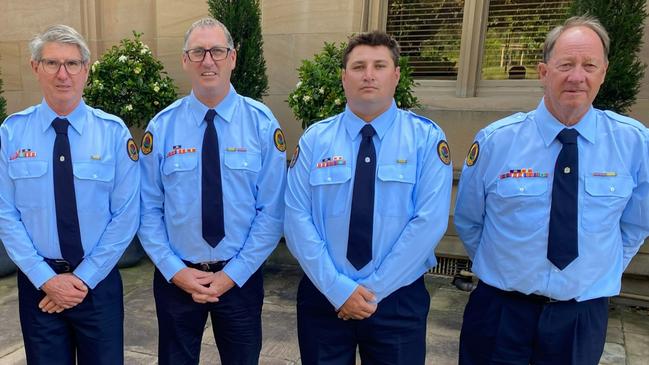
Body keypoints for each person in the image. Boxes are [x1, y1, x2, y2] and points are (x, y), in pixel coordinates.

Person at [454, 15, 649, 365]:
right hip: (501, 314)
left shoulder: (633, 143)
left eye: (589, 65)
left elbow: (635, 224)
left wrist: (596, 272)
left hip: (579, 320)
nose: (577, 76)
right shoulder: (498, 141)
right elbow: (470, 221)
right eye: (566, 65)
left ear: (603, 72)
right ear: (544, 72)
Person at [284, 31, 453, 364]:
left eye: (380, 65)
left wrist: (372, 290)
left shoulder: (426, 139)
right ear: (344, 77)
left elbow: (429, 222)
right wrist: (339, 290)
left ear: (396, 75)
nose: (369, 74)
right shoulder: (316, 139)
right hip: (324, 297)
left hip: (398, 300)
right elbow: (295, 217)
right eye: (358, 66)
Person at [138, 17, 286, 365]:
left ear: (233, 58)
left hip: (240, 277)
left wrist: (232, 275)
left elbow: (273, 210)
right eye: (198, 52)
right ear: (185, 61)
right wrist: (175, 270)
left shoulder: (262, 125)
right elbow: (147, 209)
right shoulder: (162, 127)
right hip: (178, 278)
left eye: (217, 51)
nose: (208, 61)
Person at [0, 24, 140, 364]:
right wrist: (47, 280)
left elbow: (126, 215)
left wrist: (81, 279)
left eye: (72, 64)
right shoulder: (12, 132)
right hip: (39, 285)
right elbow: (5, 213)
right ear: (35, 68)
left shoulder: (112, 132)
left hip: (98, 281)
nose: (63, 74)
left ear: (86, 69)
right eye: (52, 63)